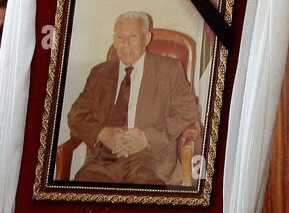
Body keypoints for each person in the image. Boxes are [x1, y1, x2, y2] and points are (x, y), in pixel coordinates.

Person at [67, 11, 199, 185]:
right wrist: (102, 132)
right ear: (114, 41)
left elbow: (188, 111)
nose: (125, 45)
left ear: (147, 38)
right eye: (120, 38)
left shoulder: (169, 69)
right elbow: (76, 114)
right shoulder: (99, 72)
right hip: (102, 162)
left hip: (149, 161)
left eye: (133, 37)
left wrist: (147, 137)